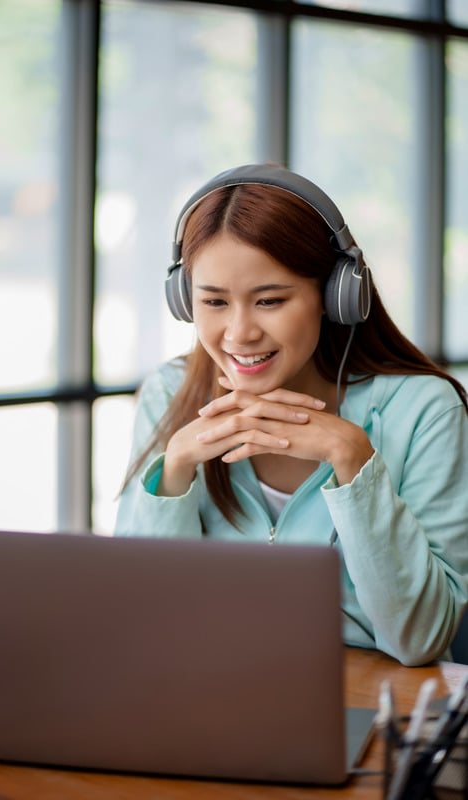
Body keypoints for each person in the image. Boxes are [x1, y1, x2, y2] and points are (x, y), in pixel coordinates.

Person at [115, 163, 468, 667]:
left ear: (334, 296)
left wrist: (353, 461)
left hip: (370, 699)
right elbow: (141, 622)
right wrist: (174, 471)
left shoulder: (424, 410)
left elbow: (420, 639)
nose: (239, 334)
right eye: (213, 301)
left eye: (270, 301)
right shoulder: (170, 392)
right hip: (207, 693)